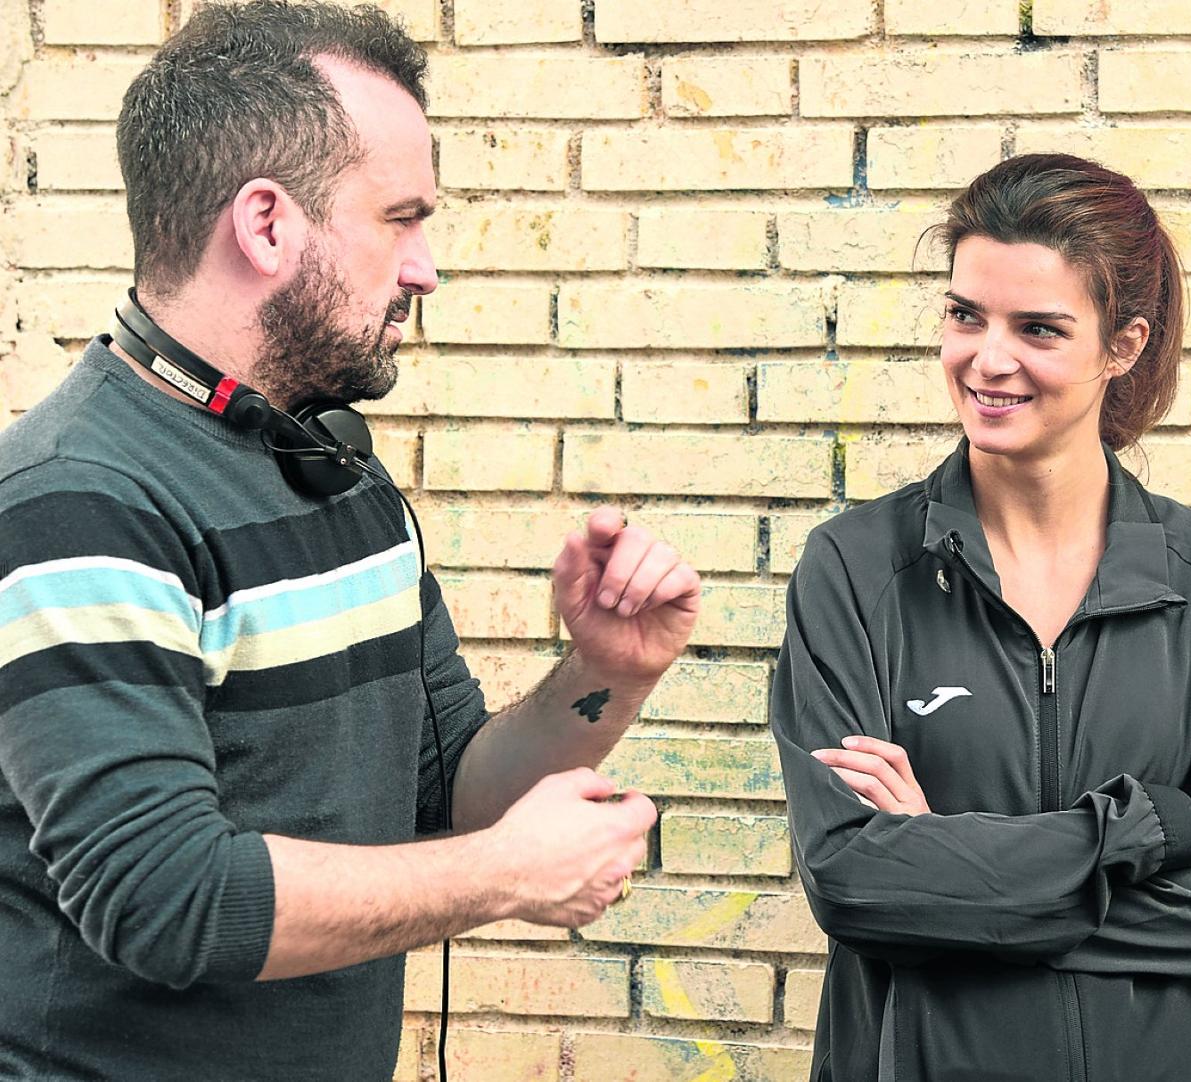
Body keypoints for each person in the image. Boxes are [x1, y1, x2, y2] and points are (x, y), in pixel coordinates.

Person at [0, 3, 700, 1079]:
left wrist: (602, 673)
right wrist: (502, 877)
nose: (425, 269)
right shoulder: (78, 502)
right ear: (268, 224)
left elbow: (450, 788)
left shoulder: (331, 460)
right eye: (400, 216)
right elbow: (165, 895)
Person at [772, 153, 1191, 1082]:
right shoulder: (855, 573)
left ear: (1124, 345)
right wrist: (1130, 835)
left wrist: (943, 868)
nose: (988, 360)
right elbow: (851, 879)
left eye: (1038, 328)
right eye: (964, 315)